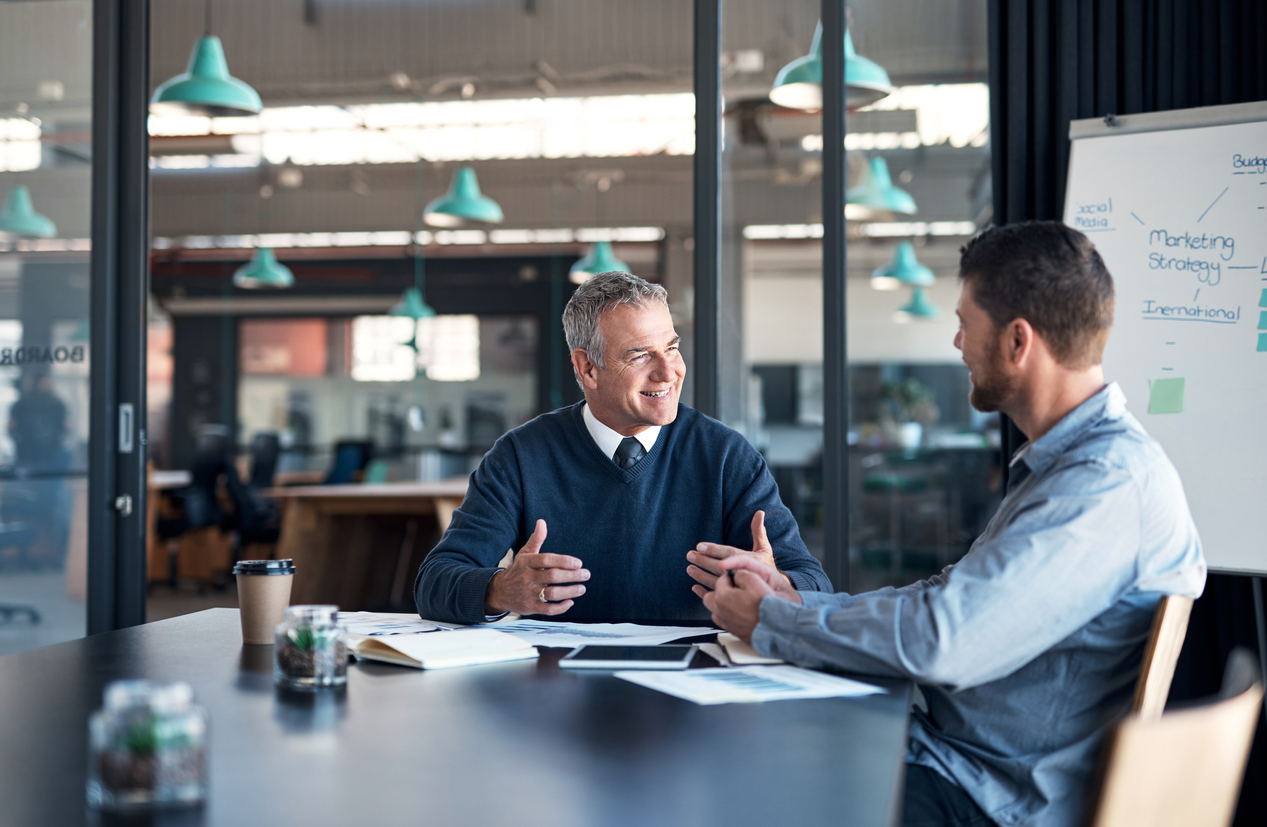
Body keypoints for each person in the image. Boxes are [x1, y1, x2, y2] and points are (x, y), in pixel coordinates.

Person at [701, 222, 1206, 827]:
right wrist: (794, 603)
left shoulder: (1103, 485)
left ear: (1018, 341)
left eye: (968, 322)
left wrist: (772, 621)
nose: (958, 341)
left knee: (737, 778)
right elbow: (948, 595)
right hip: (959, 762)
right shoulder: (1070, 467)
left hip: (987, 799)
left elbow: (944, 640)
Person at [414, 271, 831, 625]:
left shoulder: (726, 456)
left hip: (693, 687)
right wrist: (499, 590)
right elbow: (435, 580)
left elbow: (813, 582)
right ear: (587, 368)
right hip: (558, 691)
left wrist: (781, 586)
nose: (668, 372)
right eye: (640, 356)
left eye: (671, 347)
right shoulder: (521, 457)